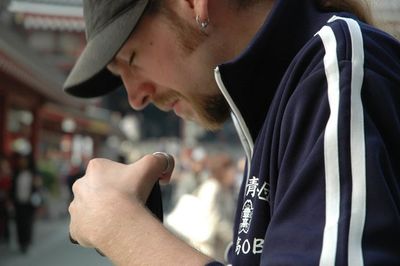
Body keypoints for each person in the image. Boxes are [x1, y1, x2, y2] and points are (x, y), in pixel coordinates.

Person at [64, 0, 400, 265]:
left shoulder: (335, 71)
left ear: (194, 3)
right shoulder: (281, 98)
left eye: (132, 59)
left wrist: (122, 226)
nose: (136, 98)